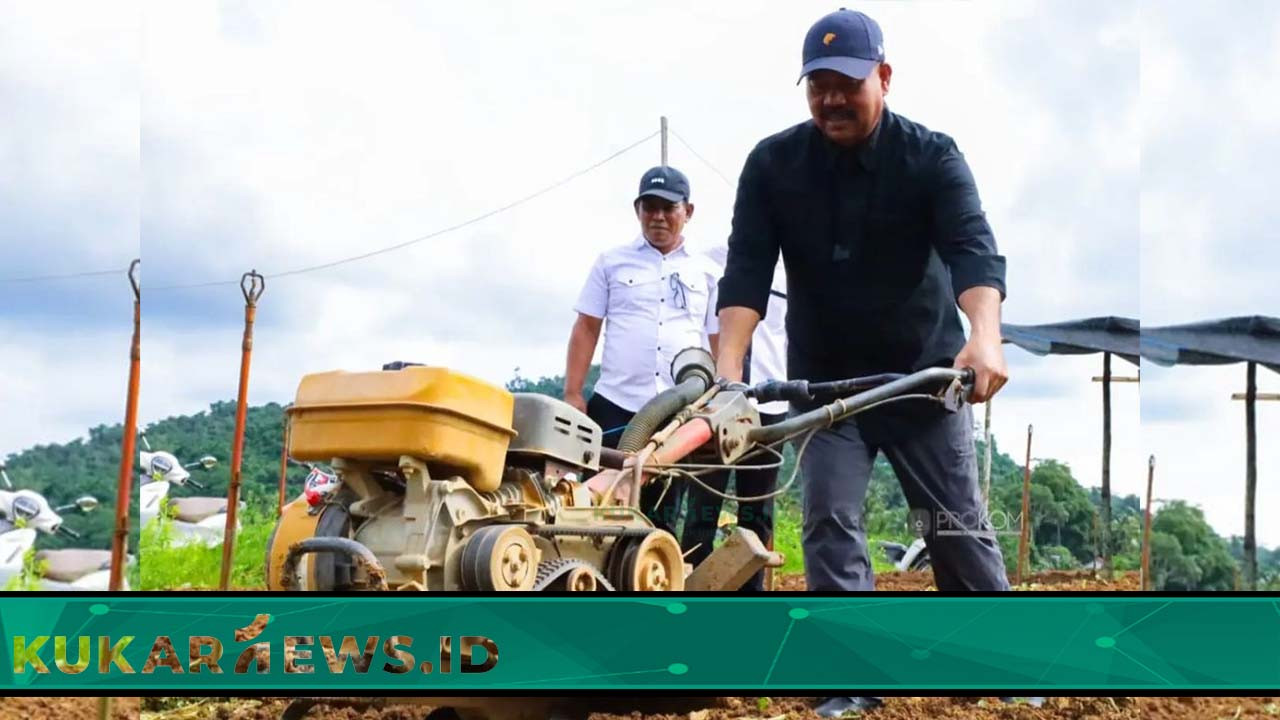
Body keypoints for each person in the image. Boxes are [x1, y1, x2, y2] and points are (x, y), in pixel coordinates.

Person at [713, 9, 1013, 715]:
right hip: (825, 388)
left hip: (921, 379)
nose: (831, 100)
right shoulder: (773, 164)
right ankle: (850, 683)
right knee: (829, 522)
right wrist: (729, 369)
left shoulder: (931, 156)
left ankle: (1004, 664)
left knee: (955, 529)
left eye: (846, 83)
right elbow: (746, 273)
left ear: (883, 77)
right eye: (817, 85)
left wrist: (987, 334)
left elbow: (975, 250)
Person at [564, 165, 721, 537]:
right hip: (615, 403)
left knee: (661, 513)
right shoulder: (611, 261)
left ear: (689, 211)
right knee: (595, 506)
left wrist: (718, 398)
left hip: (676, 412)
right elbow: (587, 327)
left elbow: (715, 338)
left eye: (669, 208)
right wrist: (573, 393)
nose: (659, 217)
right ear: (637, 210)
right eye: (649, 207)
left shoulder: (707, 270)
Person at [679, 247, 788, 592]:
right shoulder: (709, 261)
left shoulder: (794, 265)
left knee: (757, 513)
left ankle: (749, 598)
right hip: (716, 405)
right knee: (702, 507)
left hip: (769, 409)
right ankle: (692, 591)